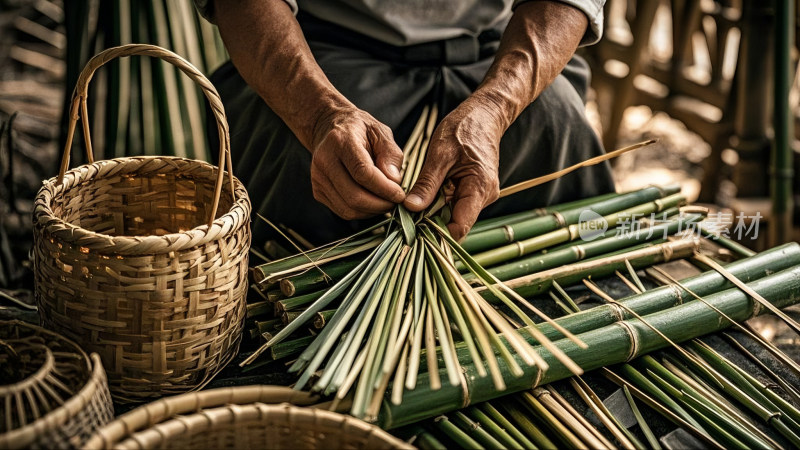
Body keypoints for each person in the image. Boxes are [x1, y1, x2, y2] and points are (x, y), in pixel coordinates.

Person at [196, 0, 615, 248]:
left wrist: (494, 107)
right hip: (318, 58)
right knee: (294, 162)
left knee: (557, 122)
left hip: (502, 51)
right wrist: (321, 116)